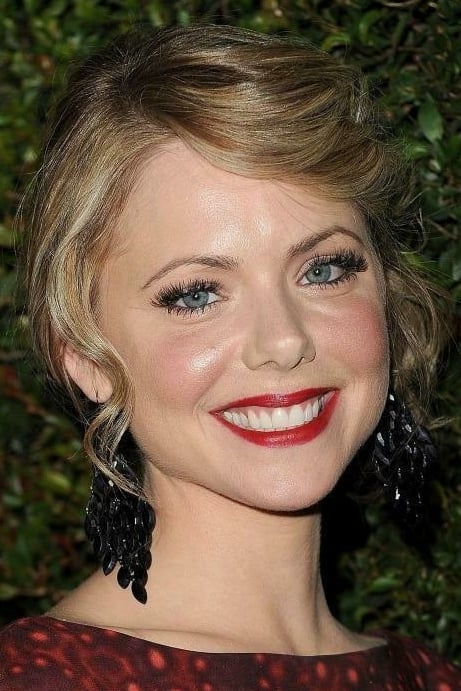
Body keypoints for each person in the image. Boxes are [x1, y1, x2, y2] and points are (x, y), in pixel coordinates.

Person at [1, 24, 459, 690]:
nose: (283, 340)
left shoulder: (431, 677)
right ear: (86, 355)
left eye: (324, 269)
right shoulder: (40, 679)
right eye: (195, 294)